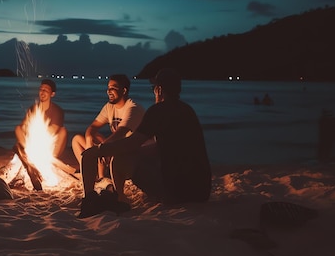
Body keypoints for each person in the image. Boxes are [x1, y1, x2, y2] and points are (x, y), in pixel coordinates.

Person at [79, 68, 212, 218]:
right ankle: (117, 196)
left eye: (153, 88)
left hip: (176, 193)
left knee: (119, 160)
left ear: (159, 90)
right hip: (202, 190)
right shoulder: (188, 110)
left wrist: (99, 151)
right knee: (134, 155)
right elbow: (167, 148)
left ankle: (116, 197)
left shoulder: (157, 111)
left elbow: (131, 143)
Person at [71, 74, 145, 177]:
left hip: (131, 152)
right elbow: (92, 127)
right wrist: (89, 141)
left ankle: (101, 176)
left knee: (101, 147)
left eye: (113, 88)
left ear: (124, 91)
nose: (109, 91)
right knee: (78, 139)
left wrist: (101, 148)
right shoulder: (109, 107)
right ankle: (91, 170)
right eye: (108, 88)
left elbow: (120, 133)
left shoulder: (133, 108)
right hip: (116, 147)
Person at [14, 79, 67, 159]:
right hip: (33, 144)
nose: (42, 92)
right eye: (41, 89)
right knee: (18, 129)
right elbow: (23, 126)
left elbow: (53, 131)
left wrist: (33, 128)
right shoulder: (33, 109)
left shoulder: (57, 110)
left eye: (46, 90)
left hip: (50, 145)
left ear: (52, 94)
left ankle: (52, 158)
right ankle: (28, 153)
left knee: (63, 131)